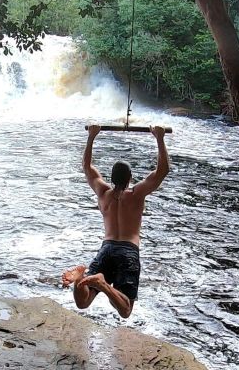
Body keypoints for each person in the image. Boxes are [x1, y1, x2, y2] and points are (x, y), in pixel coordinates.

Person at [61, 124, 170, 318]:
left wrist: (92, 136)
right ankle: (102, 284)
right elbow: (162, 171)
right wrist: (159, 138)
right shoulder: (136, 194)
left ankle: (79, 280)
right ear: (130, 179)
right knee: (125, 309)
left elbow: (87, 167)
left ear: (111, 178)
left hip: (107, 248)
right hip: (128, 251)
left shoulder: (103, 193)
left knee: (83, 302)